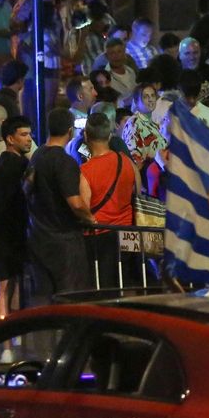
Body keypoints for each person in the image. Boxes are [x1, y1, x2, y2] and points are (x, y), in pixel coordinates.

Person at [26, 108, 97, 303]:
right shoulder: (64, 162)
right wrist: (89, 216)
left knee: (43, 301)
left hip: (38, 237)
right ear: (69, 131)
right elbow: (74, 202)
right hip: (63, 242)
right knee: (70, 300)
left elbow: (27, 188)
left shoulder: (37, 155)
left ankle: (43, 334)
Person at [81, 113, 137, 288]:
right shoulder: (126, 161)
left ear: (85, 135)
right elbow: (136, 191)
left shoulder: (85, 170)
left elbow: (84, 206)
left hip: (100, 235)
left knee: (102, 287)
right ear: (110, 135)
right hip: (127, 232)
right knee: (125, 282)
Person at [0, 115, 32, 320]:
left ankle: (6, 347)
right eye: (23, 134)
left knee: (3, 290)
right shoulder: (23, 166)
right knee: (15, 289)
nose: (29, 139)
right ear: (10, 139)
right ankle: (15, 339)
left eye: (29, 134)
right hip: (15, 234)